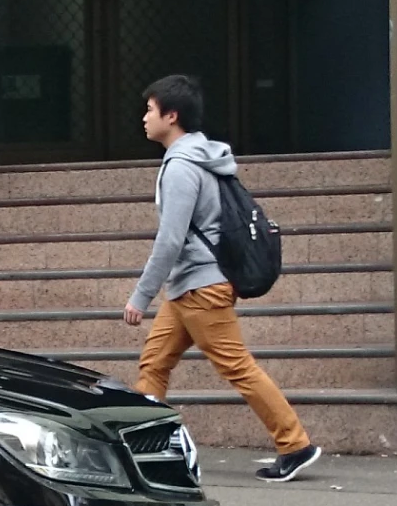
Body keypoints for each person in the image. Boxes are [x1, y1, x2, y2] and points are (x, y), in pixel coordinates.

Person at [122, 73, 321, 482]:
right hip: (189, 287)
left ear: (171, 116)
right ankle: (146, 449)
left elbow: (171, 239)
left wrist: (141, 295)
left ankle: (295, 444)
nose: (144, 117)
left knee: (238, 368)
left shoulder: (180, 166)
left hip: (200, 287)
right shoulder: (204, 156)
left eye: (149, 109)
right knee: (155, 363)